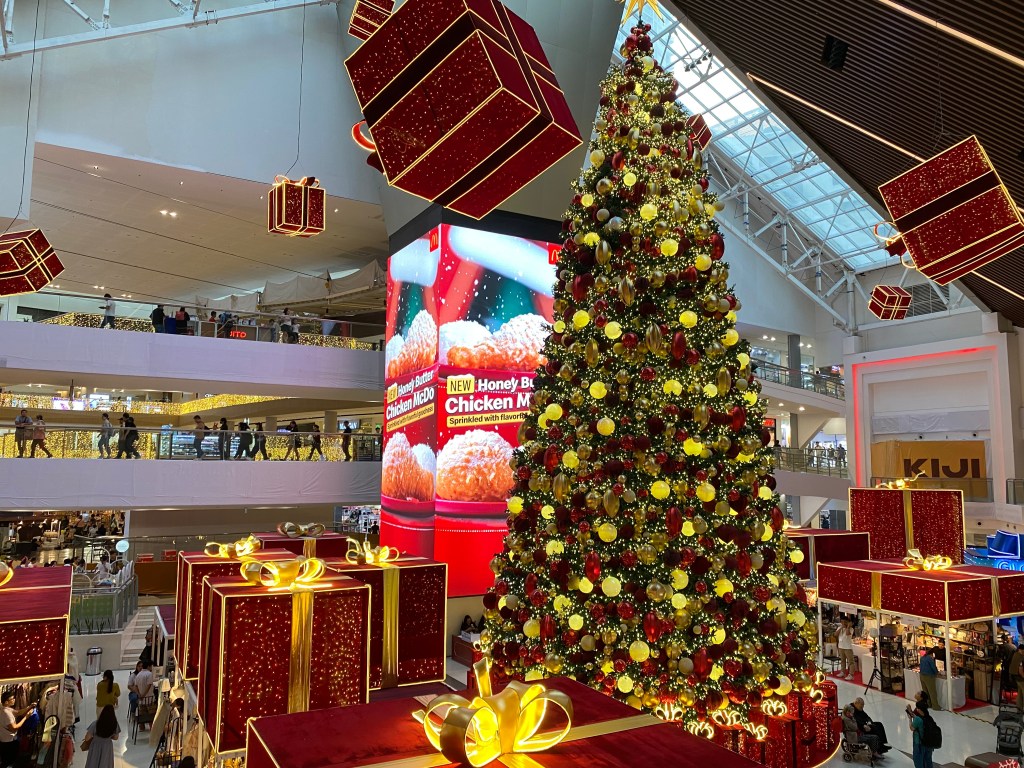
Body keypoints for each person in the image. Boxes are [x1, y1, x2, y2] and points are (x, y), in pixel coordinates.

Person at [1, 690, 35, 768]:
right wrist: (26, 717)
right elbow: (14, 728)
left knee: (7, 761)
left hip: (6, 741)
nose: (14, 700)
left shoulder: (5, 709)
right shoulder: (6, 713)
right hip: (8, 743)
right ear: (6, 702)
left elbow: (17, 712)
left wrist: (29, 706)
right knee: (9, 763)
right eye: (12, 699)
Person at [81, 704, 119, 768]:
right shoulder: (114, 724)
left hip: (96, 745)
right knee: (106, 762)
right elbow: (116, 737)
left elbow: (87, 738)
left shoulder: (96, 723)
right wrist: (108, 737)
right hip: (107, 746)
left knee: (93, 762)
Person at [908, 696, 935, 768]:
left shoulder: (918, 720)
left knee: (918, 762)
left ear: (919, 710)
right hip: (929, 744)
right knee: (928, 762)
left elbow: (912, 728)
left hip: (919, 744)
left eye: (917, 708)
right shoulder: (929, 717)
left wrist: (910, 719)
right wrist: (912, 714)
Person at [919, 646, 941, 711]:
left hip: (922, 675)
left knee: (925, 691)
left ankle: (928, 704)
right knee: (932, 692)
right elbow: (933, 667)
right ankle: (935, 706)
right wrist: (937, 673)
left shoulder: (922, 658)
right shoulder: (930, 659)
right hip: (929, 676)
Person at [1010, 642, 1024, 710]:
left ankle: (1019, 708)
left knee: (1020, 693)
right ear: (1021, 650)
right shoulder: (1021, 657)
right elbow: (1020, 670)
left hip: (1015, 677)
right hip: (1020, 678)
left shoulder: (1015, 654)